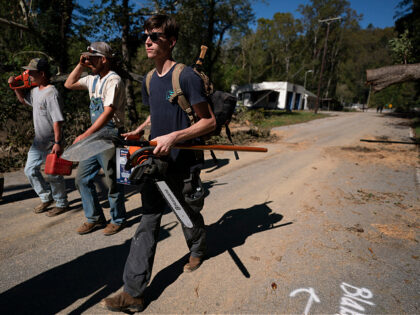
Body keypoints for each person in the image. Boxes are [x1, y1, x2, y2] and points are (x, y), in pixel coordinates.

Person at [101, 14, 216, 312]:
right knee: (148, 220)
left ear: (171, 41)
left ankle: (197, 248)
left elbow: (208, 121)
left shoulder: (186, 76)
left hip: (184, 161)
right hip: (156, 162)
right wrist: (142, 128)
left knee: (186, 212)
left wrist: (176, 136)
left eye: (156, 36)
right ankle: (134, 293)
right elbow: (159, 112)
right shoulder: (150, 79)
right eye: (146, 36)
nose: (148, 41)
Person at [64, 42, 127, 236]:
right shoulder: (92, 79)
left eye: (92, 58)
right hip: (95, 135)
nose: (88, 61)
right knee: (82, 179)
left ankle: (117, 219)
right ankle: (95, 218)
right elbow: (68, 84)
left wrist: (85, 135)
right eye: (87, 58)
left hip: (110, 135)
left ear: (104, 59)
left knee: (113, 180)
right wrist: (81, 65)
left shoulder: (113, 80)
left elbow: (108, 113)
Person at [8, 58, 69, 216]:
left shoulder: (52, 93)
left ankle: (61, 203)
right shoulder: (35, 91)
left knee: (53, 174)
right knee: (29, 170)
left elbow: (57, 120)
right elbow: (23, 100)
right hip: (38, 142)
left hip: (51, 141)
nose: (28, 75)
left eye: (32, 72)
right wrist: (15, 87)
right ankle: (46, 197)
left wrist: (57, 142)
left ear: (42, 74)